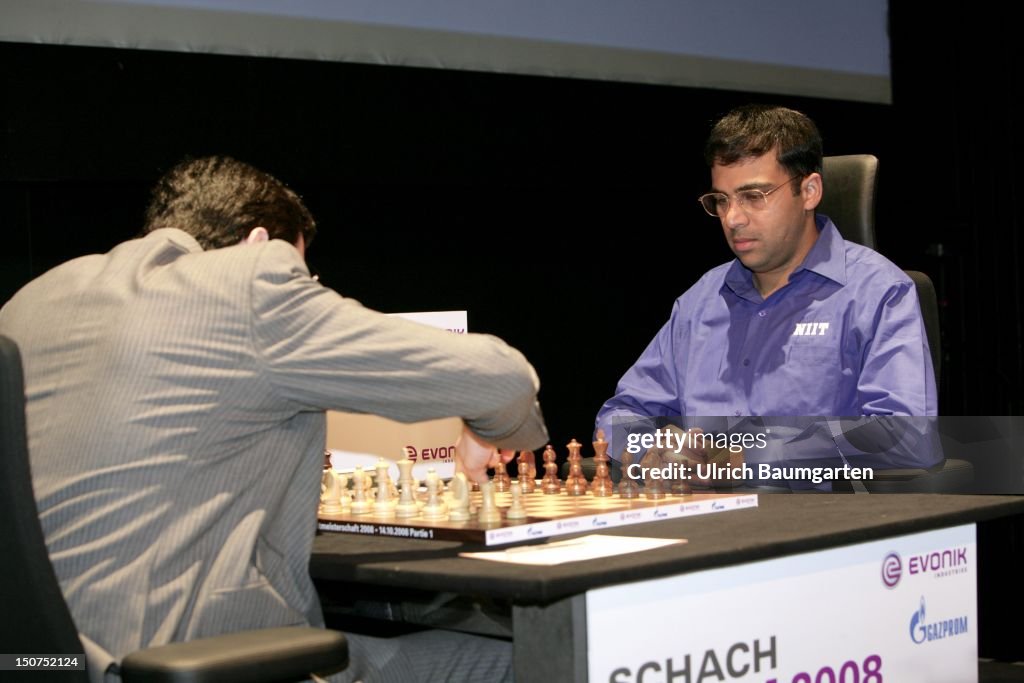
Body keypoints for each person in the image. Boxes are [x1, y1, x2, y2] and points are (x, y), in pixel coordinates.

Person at [0, 156, 548, 682]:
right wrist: (488, 433)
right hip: (187, 655)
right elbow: (503, 378)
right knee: (528, 660)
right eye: (305, 275)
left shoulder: (34, 299)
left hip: (48, 663)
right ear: (259, 242)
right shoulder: (245, 285)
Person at [596, 105, 939, 488]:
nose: (732, 218)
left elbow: (908, 437)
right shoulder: (700, 301)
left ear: (808, 191)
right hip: (696, 516)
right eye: (721, 200)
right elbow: (621, 413)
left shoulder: (878, 292)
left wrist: (751, 456)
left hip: (815, 521)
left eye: (753, 196)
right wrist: (653, 451)